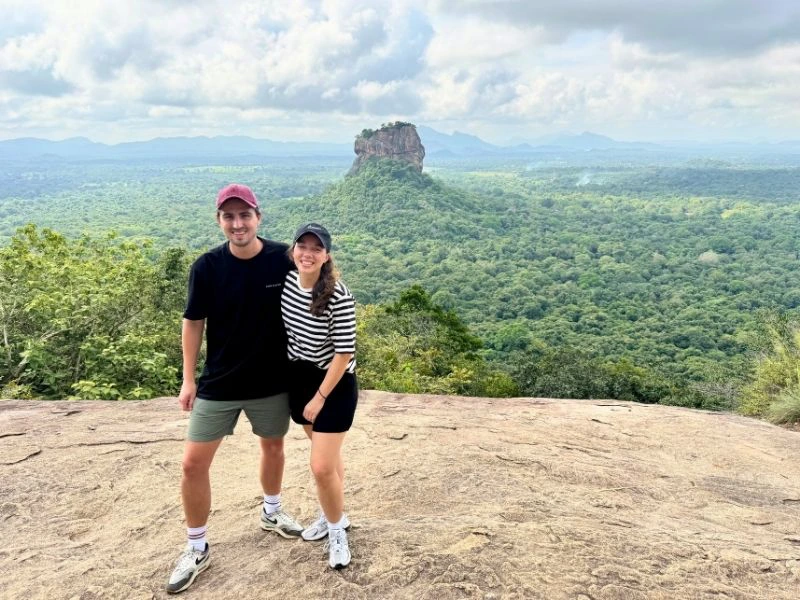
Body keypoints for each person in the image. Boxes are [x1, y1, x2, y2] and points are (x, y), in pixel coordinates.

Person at [166, 184, 304, 594]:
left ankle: (272, 511)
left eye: (244, 215)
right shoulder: (207, 267)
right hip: (220, 381)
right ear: (220, 221)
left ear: (258, 217)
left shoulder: (284, 258)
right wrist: (189, 378)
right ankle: (196, 547)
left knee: (273, 447)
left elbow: (318, 297)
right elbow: (193, 322)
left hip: (271, 380)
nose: (237, 223)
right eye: (229, 216)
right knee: (193, 464)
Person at [281, 223, 358, 570]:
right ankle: (332, 514)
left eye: (316, 248)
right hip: (300, 377)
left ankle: (338, 528)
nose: (307, 254)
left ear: (326, 256)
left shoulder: (337, 295)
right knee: (328, 460)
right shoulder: (286, 283)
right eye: (302, 246)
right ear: (293, 250)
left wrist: (320, 397)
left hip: (335, 383)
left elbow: (343, 354)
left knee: (321, 465)